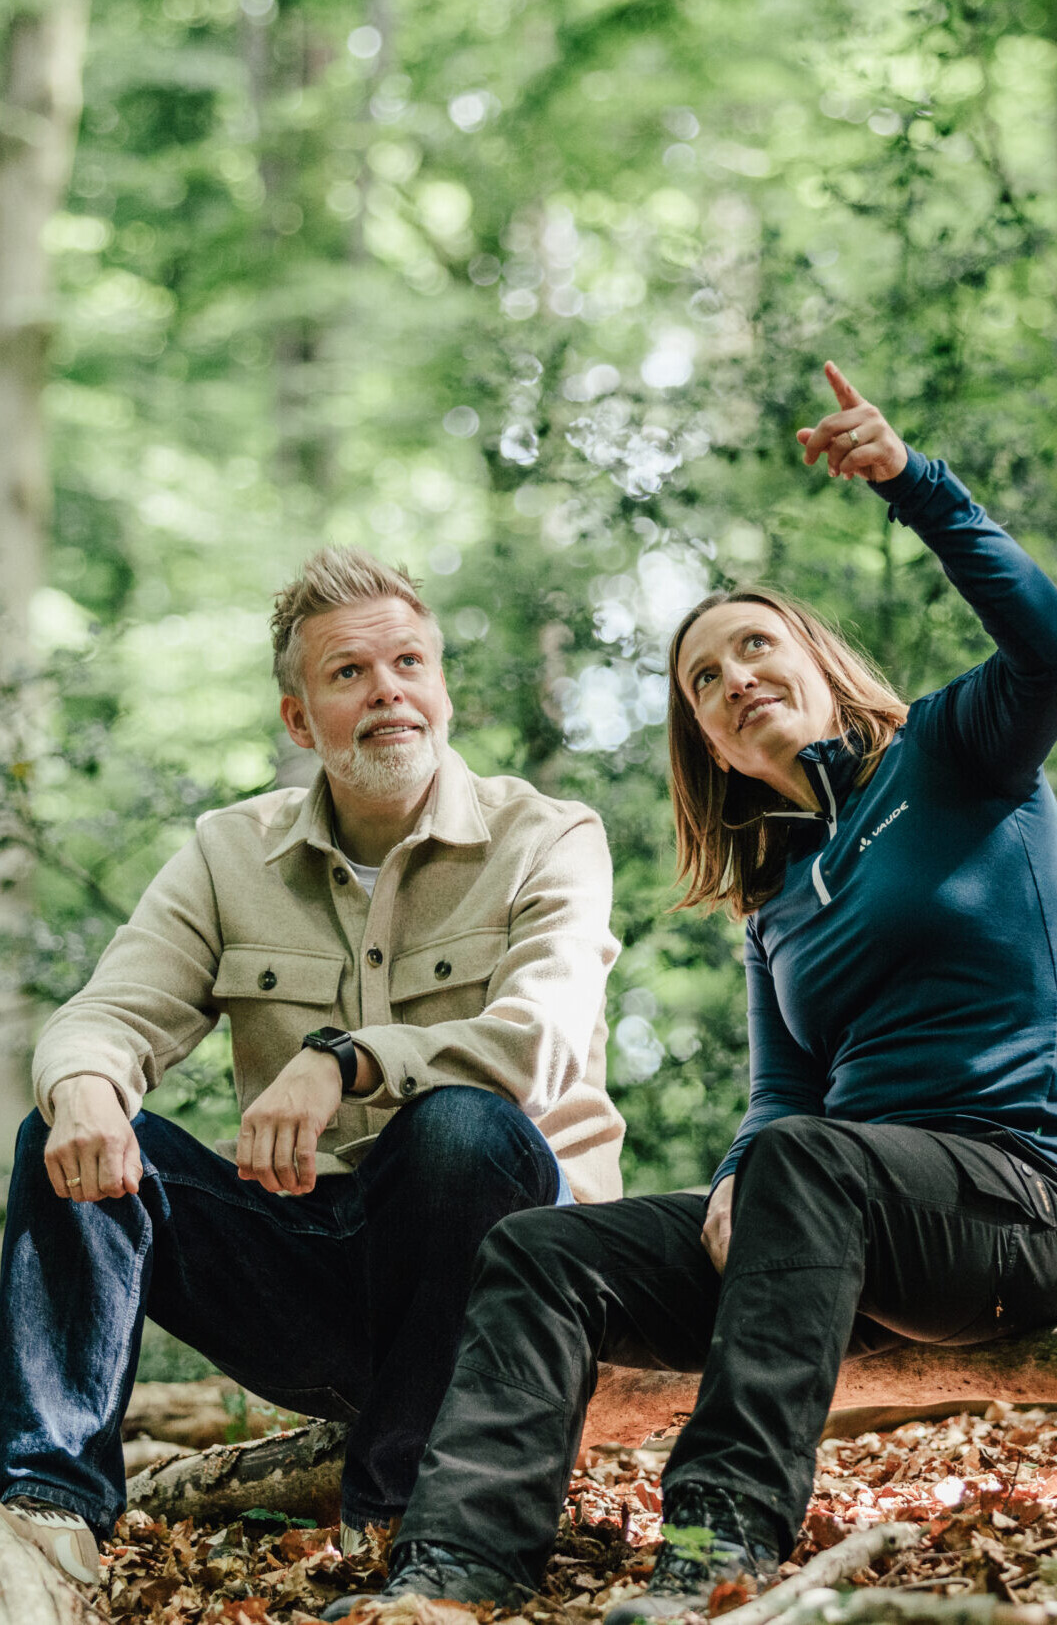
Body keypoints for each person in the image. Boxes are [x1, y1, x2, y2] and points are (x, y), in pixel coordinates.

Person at [323, 366, 1057, 1624]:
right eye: (703, 679)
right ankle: (452, 1574)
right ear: (704, 741)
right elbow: (784, 1096)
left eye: (754, 644)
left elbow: (1056, 643)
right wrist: (737, 1181)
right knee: (541, 1251)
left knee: (809, 1162)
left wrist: (911, 483)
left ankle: (715, 1551)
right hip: (846, 1220)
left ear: (813, 656)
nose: (733, 677)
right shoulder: (780, 904)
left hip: (1035, 1205)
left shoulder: (957, 754)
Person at [0, 546, 625, 1590]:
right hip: (318, 1274)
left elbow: (540, 1037)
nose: (389, 692)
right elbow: (105, 1014)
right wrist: (86, 1091)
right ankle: (47, 1527)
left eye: (410, 663)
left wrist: (348, 1060)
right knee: (69, 1139)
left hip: (514, 1275)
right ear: (301, 721)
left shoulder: (549, 835)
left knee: (461, 1127)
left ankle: (399, 1530)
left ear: (442, 685)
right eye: (349, 674)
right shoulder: (225, 852)